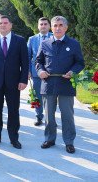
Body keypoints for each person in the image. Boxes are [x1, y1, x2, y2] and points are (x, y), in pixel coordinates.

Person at [35, 16, 85, 154]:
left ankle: (69, 141)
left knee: (67, 115)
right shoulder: (45, 43)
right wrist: (40, 70)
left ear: (66, 27)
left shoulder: (74, 44)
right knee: (49, 115)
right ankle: (50, 139)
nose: (58, 28)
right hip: (48, 84)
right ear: (51, 28)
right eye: (55, 25)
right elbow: (38, 61)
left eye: (60, 25)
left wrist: (73, 71)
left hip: (66, 84)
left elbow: (80, 63)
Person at [0, 15, 28, 149]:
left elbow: (25, 63)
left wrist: (23, 80)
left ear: (10, 25)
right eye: (0, 23)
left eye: (5, 23)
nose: (2, 25)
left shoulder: (19, 41)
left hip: (13, 82)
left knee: (13, 111)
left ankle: (14, 138)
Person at [27, 17, 53, 126]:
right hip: (36, 73)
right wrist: (28, 71)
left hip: (52, 73)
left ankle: (50, 118)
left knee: (51, 96)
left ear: (49, 26)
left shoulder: (54, 37)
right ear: (38, 26)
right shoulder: (32, 39)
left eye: (45, 24)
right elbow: (28, 56)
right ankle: (39, 116)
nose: (43, 26)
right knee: (38, 95)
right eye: (41, 24)